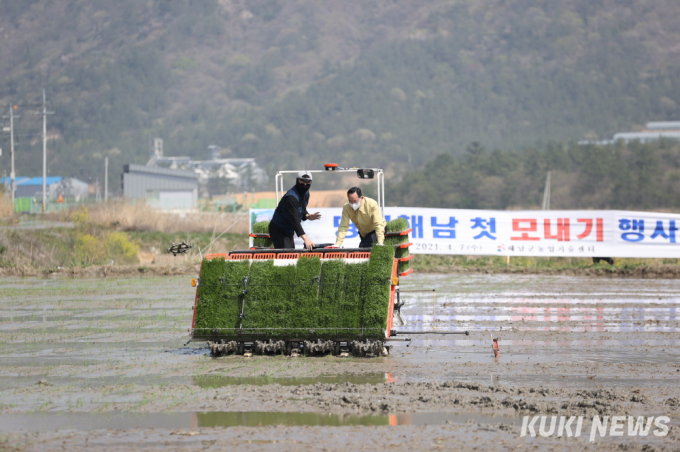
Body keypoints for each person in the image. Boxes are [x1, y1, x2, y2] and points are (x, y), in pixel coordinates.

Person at [269, 171, 321, 250]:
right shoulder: (291, 197)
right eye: (302, 181)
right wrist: (306, 239)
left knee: (291, 255)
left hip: (289, 230)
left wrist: (307, 216)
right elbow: (294, 219)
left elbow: (301, 208)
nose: (305, 184)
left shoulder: (306, 193)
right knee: (285, 256)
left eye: (308, 182)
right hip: (279, 229)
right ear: (297, 180)